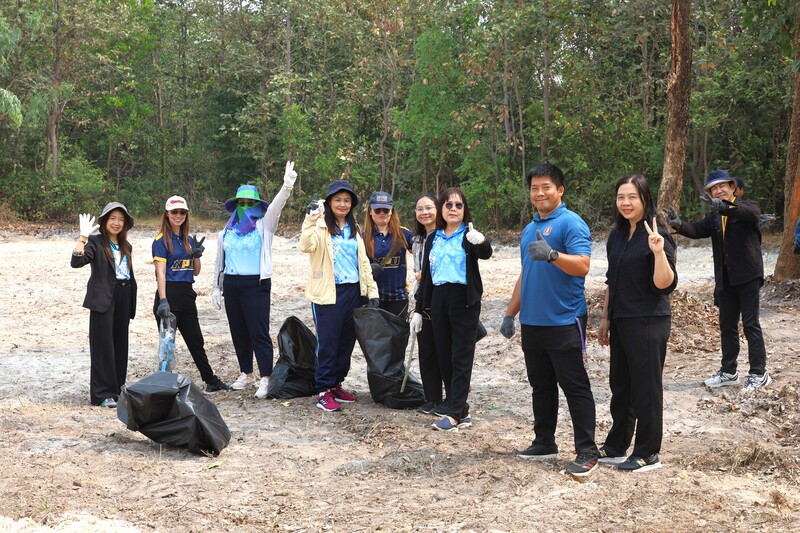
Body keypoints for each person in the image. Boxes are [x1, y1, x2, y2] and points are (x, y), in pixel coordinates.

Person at [500, 163, 599, 478]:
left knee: (575, 386)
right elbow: (525, 274)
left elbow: (583, 266)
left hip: (565, 321)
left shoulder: (571, 224)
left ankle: (587, 451)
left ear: (560, 190)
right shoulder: (529, 229)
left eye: (546, 187)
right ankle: (544, 442)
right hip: (533, 323)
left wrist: (554, 255)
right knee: (540, 386)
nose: (539, 193)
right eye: (534, 188)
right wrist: (510, 312)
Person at [597, 175, 678, 472]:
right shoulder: (617, 235)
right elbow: (611, 281)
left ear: (645, 199)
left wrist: (658, 252)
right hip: (620, 319)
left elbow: (665, 285)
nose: (626, 203)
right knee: (621, 386)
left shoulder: (658, 234)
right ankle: (617, 445)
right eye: (621, 197)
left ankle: (647, 452)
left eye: (632, 197)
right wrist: (605, 318)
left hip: (648, 320)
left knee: (646, 388)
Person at [665, 169, 771, 392]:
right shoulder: (714, 216)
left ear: (732, 187)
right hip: (726, 278)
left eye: (722, 186)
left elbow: (750, 215)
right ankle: (729, 372)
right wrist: (679, 224)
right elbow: (698, 230)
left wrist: (727, 208)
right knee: (727, 326)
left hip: (748, 275)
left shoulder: (747, 207)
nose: (718, 190)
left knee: (751, 325)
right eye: (713, 188)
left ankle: (758, 374)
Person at [211, 161, 297, 399]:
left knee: (258, 332)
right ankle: (246, 373)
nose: (246, 207)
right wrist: (216, 288)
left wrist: (286, 187)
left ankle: (266, 377)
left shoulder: (264, 226)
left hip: (256, 285)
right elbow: (220, 262)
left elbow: (277, 207)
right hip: (232, 283)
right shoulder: (225, 232)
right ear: (236, 205)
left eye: (250, 203)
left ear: (257, 205)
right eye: (242, 203)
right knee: (238, 331)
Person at [411, 187, 492, 431]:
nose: (453, 209)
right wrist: (418, 309)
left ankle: (455, 413)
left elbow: (485, 253)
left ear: (464, 209)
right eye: (448, 205)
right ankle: (460, 408)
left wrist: (482, 241)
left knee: (461, 356)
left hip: (463, 301)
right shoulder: (434, 237)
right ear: (441, 209)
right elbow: (426, 276)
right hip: (438, 299)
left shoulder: (468, 235)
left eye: (458, 205)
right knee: (444, 355)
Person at [299, 180, 380, 412]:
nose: (342, 204)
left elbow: (363, 262)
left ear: (352, 204)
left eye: (346, 200)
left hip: (353, 291)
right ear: (329, 202)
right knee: (328, 342)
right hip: (327, 293)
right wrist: (310, 219)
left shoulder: (353, 229)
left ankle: (336, 383)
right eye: (337, 200)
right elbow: (306, 245)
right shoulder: (321, 225)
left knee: (346, 341)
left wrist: (371, 291)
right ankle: (323, 390)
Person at [152, 195, 231, 394]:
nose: (178, 216)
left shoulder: (188, 240)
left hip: (187, 295)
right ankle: (164, 384)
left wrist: (196, 255)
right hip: (169, 295)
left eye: (182, 212)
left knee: (196, 341)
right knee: (167, 345)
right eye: (174, 212)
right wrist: (163, 300)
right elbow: (160, 272)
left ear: (186, 215)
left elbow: (195, 272)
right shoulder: (161, 240)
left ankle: (210, 380)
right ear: (167, 214)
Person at [71, 202, 137, 408]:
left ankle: (118, 387)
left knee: (120, 343)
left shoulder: (127, 246)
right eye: (112, 219)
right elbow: (76, 262)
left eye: (121, 219)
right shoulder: (95, 242)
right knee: (103, 346)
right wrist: (82, 237)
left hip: (124, 294)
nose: (116, 223)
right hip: (102, 298)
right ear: (105, 221)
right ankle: (102, 394)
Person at [411, 194, 445, 415]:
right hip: (421, 299)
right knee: (426, 352)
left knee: (444, 351)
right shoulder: (416, 240)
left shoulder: (445, 236)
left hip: (440, 299)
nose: (424, 212)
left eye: (429, 208)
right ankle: (432, 397)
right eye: (419, 209)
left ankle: (450, 399)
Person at [363, 191, 414, 319]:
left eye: (385, 210)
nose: (382, 213)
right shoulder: (362, 237)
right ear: (370, 211)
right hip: (374, 298)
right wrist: (368, 270)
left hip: (399, 298)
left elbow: (424, 252)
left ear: (391, 211)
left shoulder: (404, 234)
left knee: (398, 338)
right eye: (377, 210)